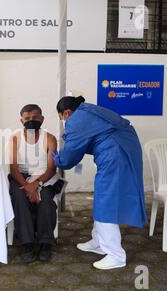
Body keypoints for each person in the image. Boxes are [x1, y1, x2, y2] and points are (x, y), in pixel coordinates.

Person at [53, 96, 147, 270]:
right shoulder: (88, 110)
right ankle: (98, 242)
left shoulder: (76, 119)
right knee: (103, 198)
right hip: (122, 150)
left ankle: (115, 255)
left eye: (62, 118)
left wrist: (58, 159)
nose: (64, 122)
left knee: (106, 203)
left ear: (66, 113)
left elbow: (69, 158)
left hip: (115, 156)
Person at [9, 104, 64, 263]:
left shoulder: (50, 139)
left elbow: (51, 168)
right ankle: (26, 244)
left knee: (46, 200)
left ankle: (46, 243)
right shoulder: (14, 139)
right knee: (19, 199)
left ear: (42, 119)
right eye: (27, 119)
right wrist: (27, 186)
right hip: (21, 178)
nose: (31, 121)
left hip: (44, 177)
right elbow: (14, 168)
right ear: (21, 120)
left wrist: (36, 184)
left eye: (35, 118)